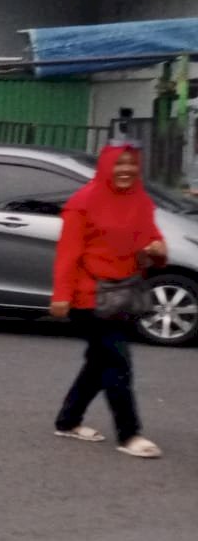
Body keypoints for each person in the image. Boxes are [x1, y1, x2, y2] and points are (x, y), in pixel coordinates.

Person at [50, 142, 166, 459]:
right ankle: (130, 434)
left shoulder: (140, 201)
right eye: (119, 163)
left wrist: (157, 251)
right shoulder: (83, 203)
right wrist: (61, 296)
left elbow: (153, 245)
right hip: (88, 297)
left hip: (124, 294)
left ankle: (68, 421)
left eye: (131, 163)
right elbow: (68, 254)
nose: (126, 170)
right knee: (117, 362)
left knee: (99, 363)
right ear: (106, 167)